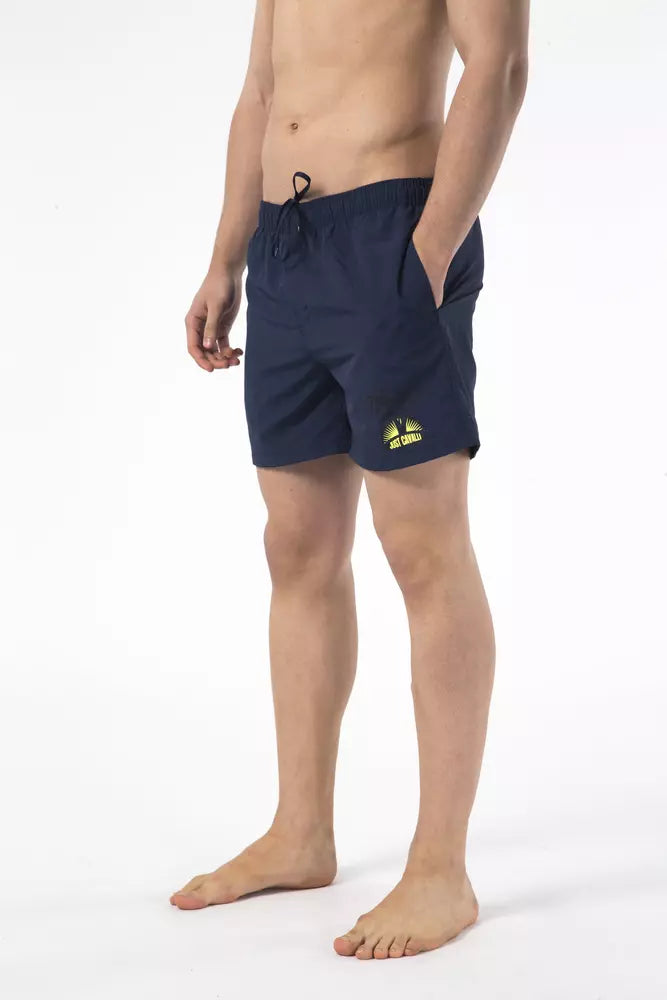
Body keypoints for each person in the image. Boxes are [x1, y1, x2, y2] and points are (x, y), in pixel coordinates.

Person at [171, 0, 529, 960]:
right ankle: (301, 833)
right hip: (285, 245)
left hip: (393, 233)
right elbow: (261, 91)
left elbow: (496, 66)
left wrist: (432, 245)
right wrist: (225, 258)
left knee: (422, 547)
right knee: (296, 546)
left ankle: (441, 869)